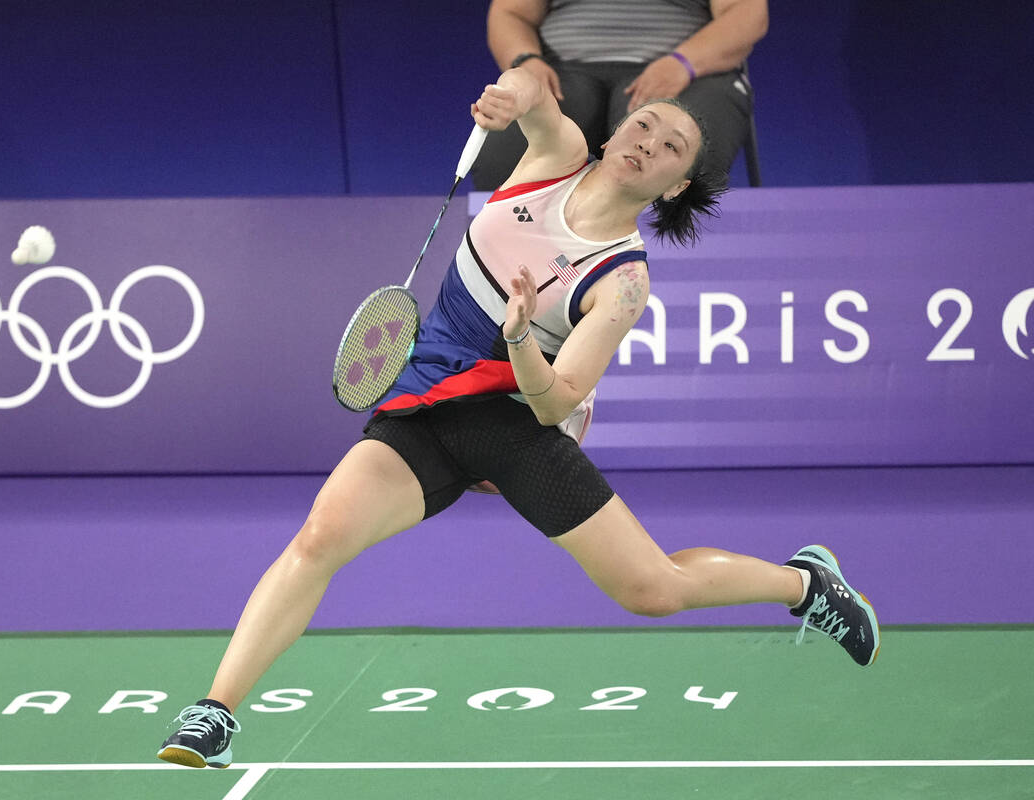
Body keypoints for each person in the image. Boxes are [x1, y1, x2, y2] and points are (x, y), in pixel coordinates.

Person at [155, 66, 878, 770]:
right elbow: (535, 87)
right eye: (643, 125)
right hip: (426, 402)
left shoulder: (623, 282)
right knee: (320, 536)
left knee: (652, 590)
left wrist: (521, 336)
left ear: (675, 185)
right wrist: (512, 93)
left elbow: (559, 399)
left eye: (669, 149)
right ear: (612, 132)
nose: (647, 143)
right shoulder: (552, 159)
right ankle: (216, 711)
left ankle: (806, 585)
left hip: (517, 424)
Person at [472, 0, 768, 190]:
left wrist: (684, 63)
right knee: (506, 157)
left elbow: (746, 12)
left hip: (683, 71)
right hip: (562, 71)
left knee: (670, 162)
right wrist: (526, 61)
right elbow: (510, 13)